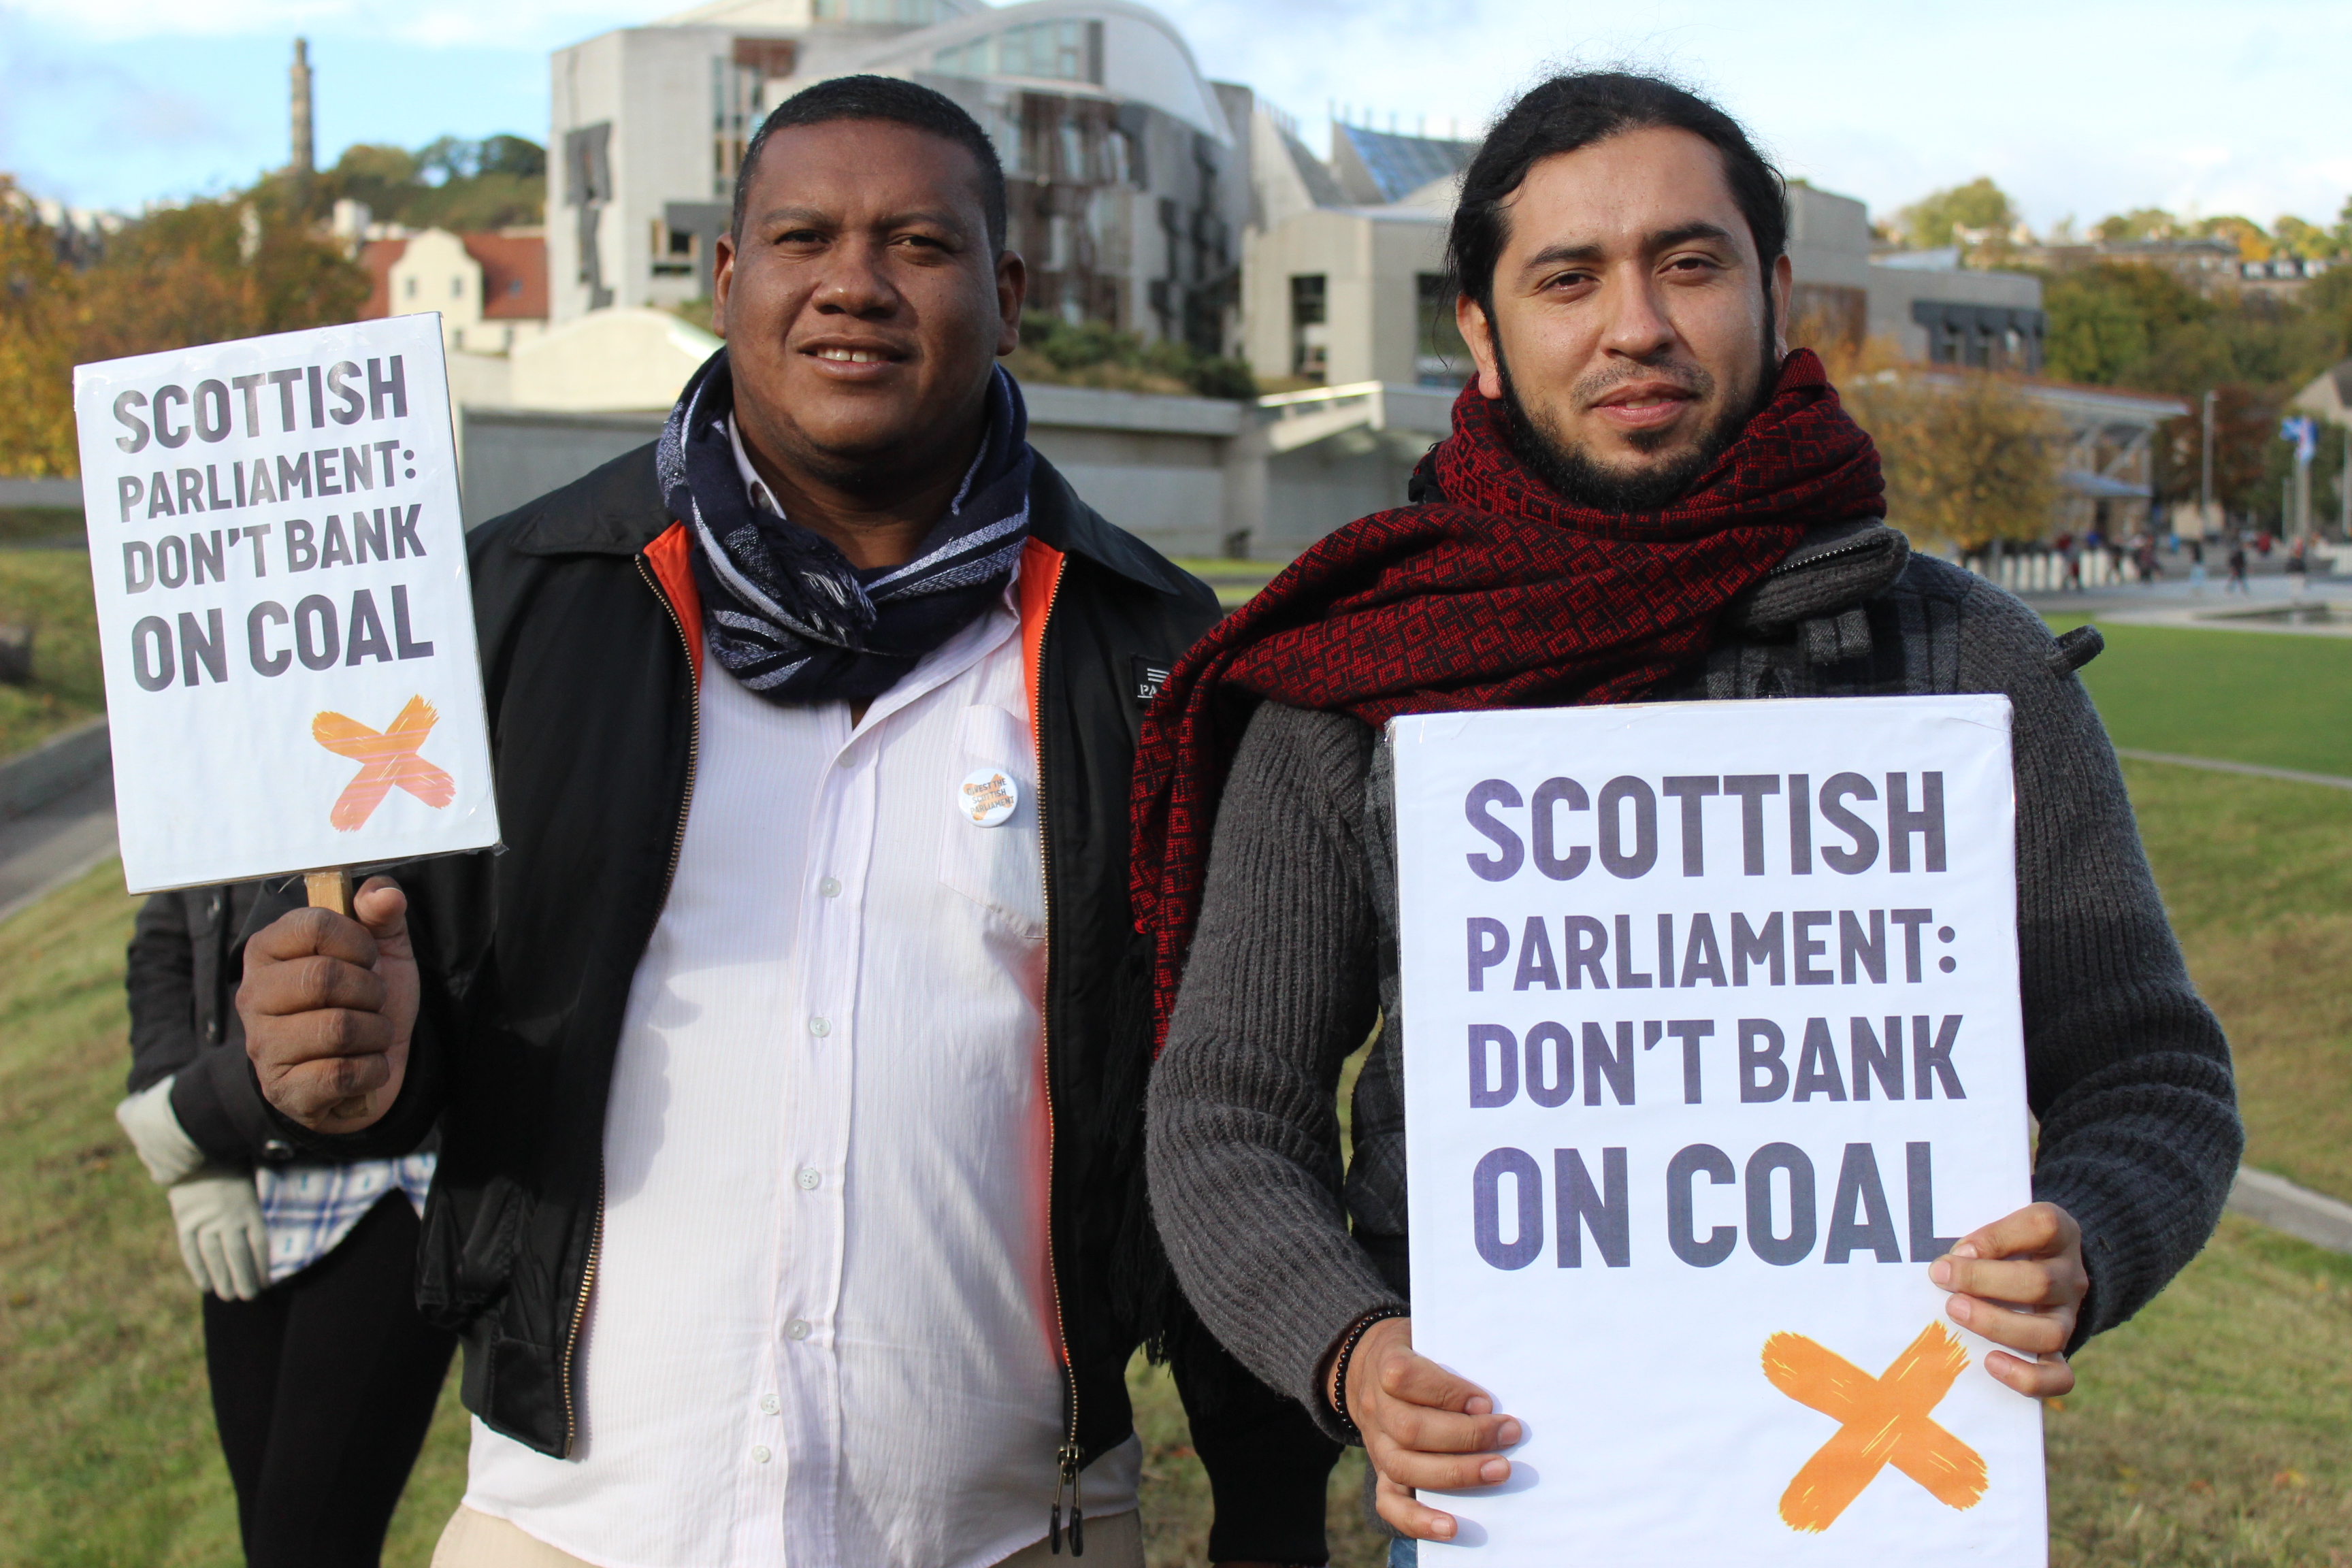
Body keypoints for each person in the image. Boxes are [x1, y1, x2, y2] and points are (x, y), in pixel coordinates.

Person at [231, 77, 1335, 1568]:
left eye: (919, 244)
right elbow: (395, 1018)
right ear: (728, 277)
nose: (854, 284)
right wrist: (347, 1055)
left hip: (1017, 1529)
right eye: (803, 236)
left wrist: (1269, 1515)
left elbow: (1227, 1105)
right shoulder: (514, 606)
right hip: (573, 1528)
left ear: (1008, 296)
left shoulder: (1148, 653)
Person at [1136, 71, 2240, 1558]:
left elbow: (2153, 1070)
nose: (1636, 325)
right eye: (1568, 278)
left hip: (1893, 1506)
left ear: (1776, 293)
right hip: (1509, 1498)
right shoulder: (1359, 679)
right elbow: (1225, 1112)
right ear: (1481, 331)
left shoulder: (1965, 661)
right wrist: (1350, 1351)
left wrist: (2087, 1237)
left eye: (1689, 263)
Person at [116, 879, 452, 1567]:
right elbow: (165, 936)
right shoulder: (204, 799)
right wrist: (177, 1117)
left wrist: (200, 1113)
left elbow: (441, 952)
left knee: (307, 1544)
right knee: (267, 1530)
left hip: (392, 1175)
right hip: (248, 1179)